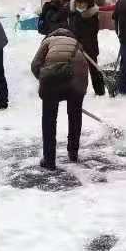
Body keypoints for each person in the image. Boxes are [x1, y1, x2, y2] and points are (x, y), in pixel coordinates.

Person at [31, 27, 89, 170]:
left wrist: (45, 78)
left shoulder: (48, 41)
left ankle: (49, 160)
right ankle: (73, 153)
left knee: (49, 119)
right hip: (78, 79)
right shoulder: (77, 44)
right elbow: (84, 66)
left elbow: (35, 65)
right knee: (75, 115)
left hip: (53, 78)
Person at [69, 0, 105, 96]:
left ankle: (100, 91)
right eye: (78, 4)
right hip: (76, 46)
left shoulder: (92, 15)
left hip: (90, 46)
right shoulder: (73, 14)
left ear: (87, 4)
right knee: (77, 70)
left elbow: (92, 31)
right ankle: (77, 91)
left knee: (94, 69)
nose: (80, 6)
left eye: (82, 4)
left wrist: (82, 42)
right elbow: (72, 29)